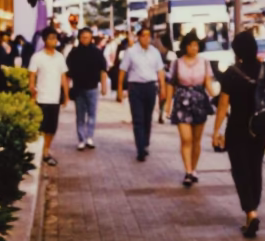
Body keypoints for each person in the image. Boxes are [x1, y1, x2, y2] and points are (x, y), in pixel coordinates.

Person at [210, 31, 265, 236]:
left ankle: (251, 212)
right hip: (260, 129)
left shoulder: (232, 72)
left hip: (237, 129)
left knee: (240, 171)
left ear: (236, 50)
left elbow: (223, 104)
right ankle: (253, 206)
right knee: (256, 169)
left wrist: (216, 131)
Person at [163, 31, 217, 187]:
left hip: (199, 101)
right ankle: (187, 171)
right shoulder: (177, 63)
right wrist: (168, 105)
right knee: (186, 138)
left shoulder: (204, 63)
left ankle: (193, 169)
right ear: (185, 46)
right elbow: (171, 83)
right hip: (182, 102)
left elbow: (208, 83)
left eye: (196, 45)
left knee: (196, 140)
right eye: (192, 45)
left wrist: (215, 98)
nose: (195, 48)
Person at [116, 26, 166, 161]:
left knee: (147, 118)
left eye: (149, 36)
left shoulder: (154, 52)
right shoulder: (131, 52)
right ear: (138, 37)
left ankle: (145, 143)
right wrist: (120, 89)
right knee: (138, 119)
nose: (147, 38)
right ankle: (140, 148)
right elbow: (122, 71)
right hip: (136, 87)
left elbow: (160, 71)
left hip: (150, 87)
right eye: (144, 35)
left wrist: (163, 88)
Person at [29, 27, 70, 167]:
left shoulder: (60, 57)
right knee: (41, 127)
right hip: (41, 98)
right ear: (44, 40)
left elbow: (63, 77)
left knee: (52, 128)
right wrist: (32, 92)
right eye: (50, 38)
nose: (53, 41)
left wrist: (66, 95)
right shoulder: (37, 57)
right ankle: (40, 153)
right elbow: (32, 76)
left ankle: (46, 151)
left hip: (55, 98)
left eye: (55, 38)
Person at [66, 26, 109, 151]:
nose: (86, 39)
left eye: (88, 37)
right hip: (78, 88)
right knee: (80, 115)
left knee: (92, 114)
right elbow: (67, 72)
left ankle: (89, 137)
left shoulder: (97, 52)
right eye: (83, 37)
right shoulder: (74, 53)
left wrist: (104, 87)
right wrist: (66, 89)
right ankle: (81, 139)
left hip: (93, 88)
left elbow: (103, 70)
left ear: (91, 38)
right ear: (79, 38)